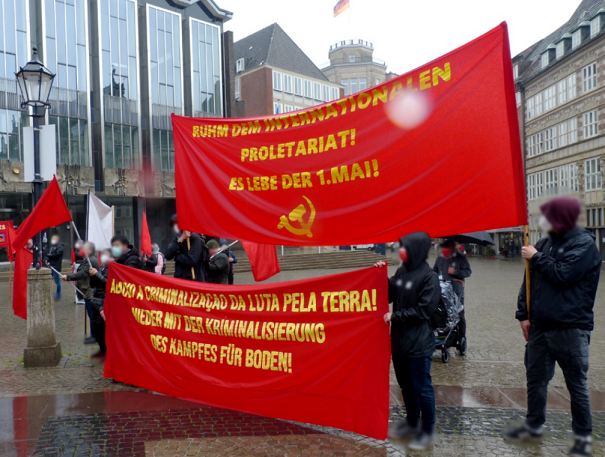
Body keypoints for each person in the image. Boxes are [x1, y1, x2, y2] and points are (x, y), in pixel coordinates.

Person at [504, 197, 601, 457]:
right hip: (540, 327)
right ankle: (534, 425)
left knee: (576, 383)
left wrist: (536, 258)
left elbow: (563, 274)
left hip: (570, 327)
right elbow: (528, 281)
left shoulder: (584, 244)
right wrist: (523, 314)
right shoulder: (545, 242)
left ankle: (582, 436)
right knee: (535, 380)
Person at [375, 232, 440, 450]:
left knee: (422, 388)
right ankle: (412, 423)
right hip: (400, 342)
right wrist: (380, 276)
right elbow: (389, 294)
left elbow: (424, 310)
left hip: (419, 344)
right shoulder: (402, 271)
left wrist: (395, 316)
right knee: (406, 386)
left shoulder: (429, 276)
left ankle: (427, 430)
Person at [433, 239, 472, 345]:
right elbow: (434, 272)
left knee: (459, 314)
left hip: (456, 292)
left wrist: (456, 272)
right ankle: (444, 336)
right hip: (442, 292)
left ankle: (461, 337)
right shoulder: (440, 259)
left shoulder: (461, 258)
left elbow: (468, 272)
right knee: (442, 314)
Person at [61, 242, 100, 344]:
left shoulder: (91, 261)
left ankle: (95, 336)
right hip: (88, 290)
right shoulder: (88, 259)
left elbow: (82, 273)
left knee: (92, 315)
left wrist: (68, 277)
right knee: (91, 315)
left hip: (90, 291)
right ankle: (93, 335)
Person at [87, 249, 112, 360]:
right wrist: (93, 276)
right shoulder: (102, 268)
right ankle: (103, 351)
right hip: (97, 302)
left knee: (104, 331)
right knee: (98, 331)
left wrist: (97, 274)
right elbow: (93, 285)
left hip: (104, 302)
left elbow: (108, 283)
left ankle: (107, 353)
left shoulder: (112, 268)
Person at [165, 215, 204, 281]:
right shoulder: (178, 238)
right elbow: (167, 255)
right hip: (180, 279)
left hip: (193, 279)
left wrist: (177, 256)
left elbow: (192, 260)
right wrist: (180, 240)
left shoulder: (195, 238)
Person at [45, 234, 64, 301]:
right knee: (49, 279)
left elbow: (56, 255)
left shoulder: (60, 247)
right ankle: (51, 293)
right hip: (51, 265)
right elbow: (51, 254)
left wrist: (49, 256)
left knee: (57, 281)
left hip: (56, 266)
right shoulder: (53, 247)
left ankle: (58, 295)